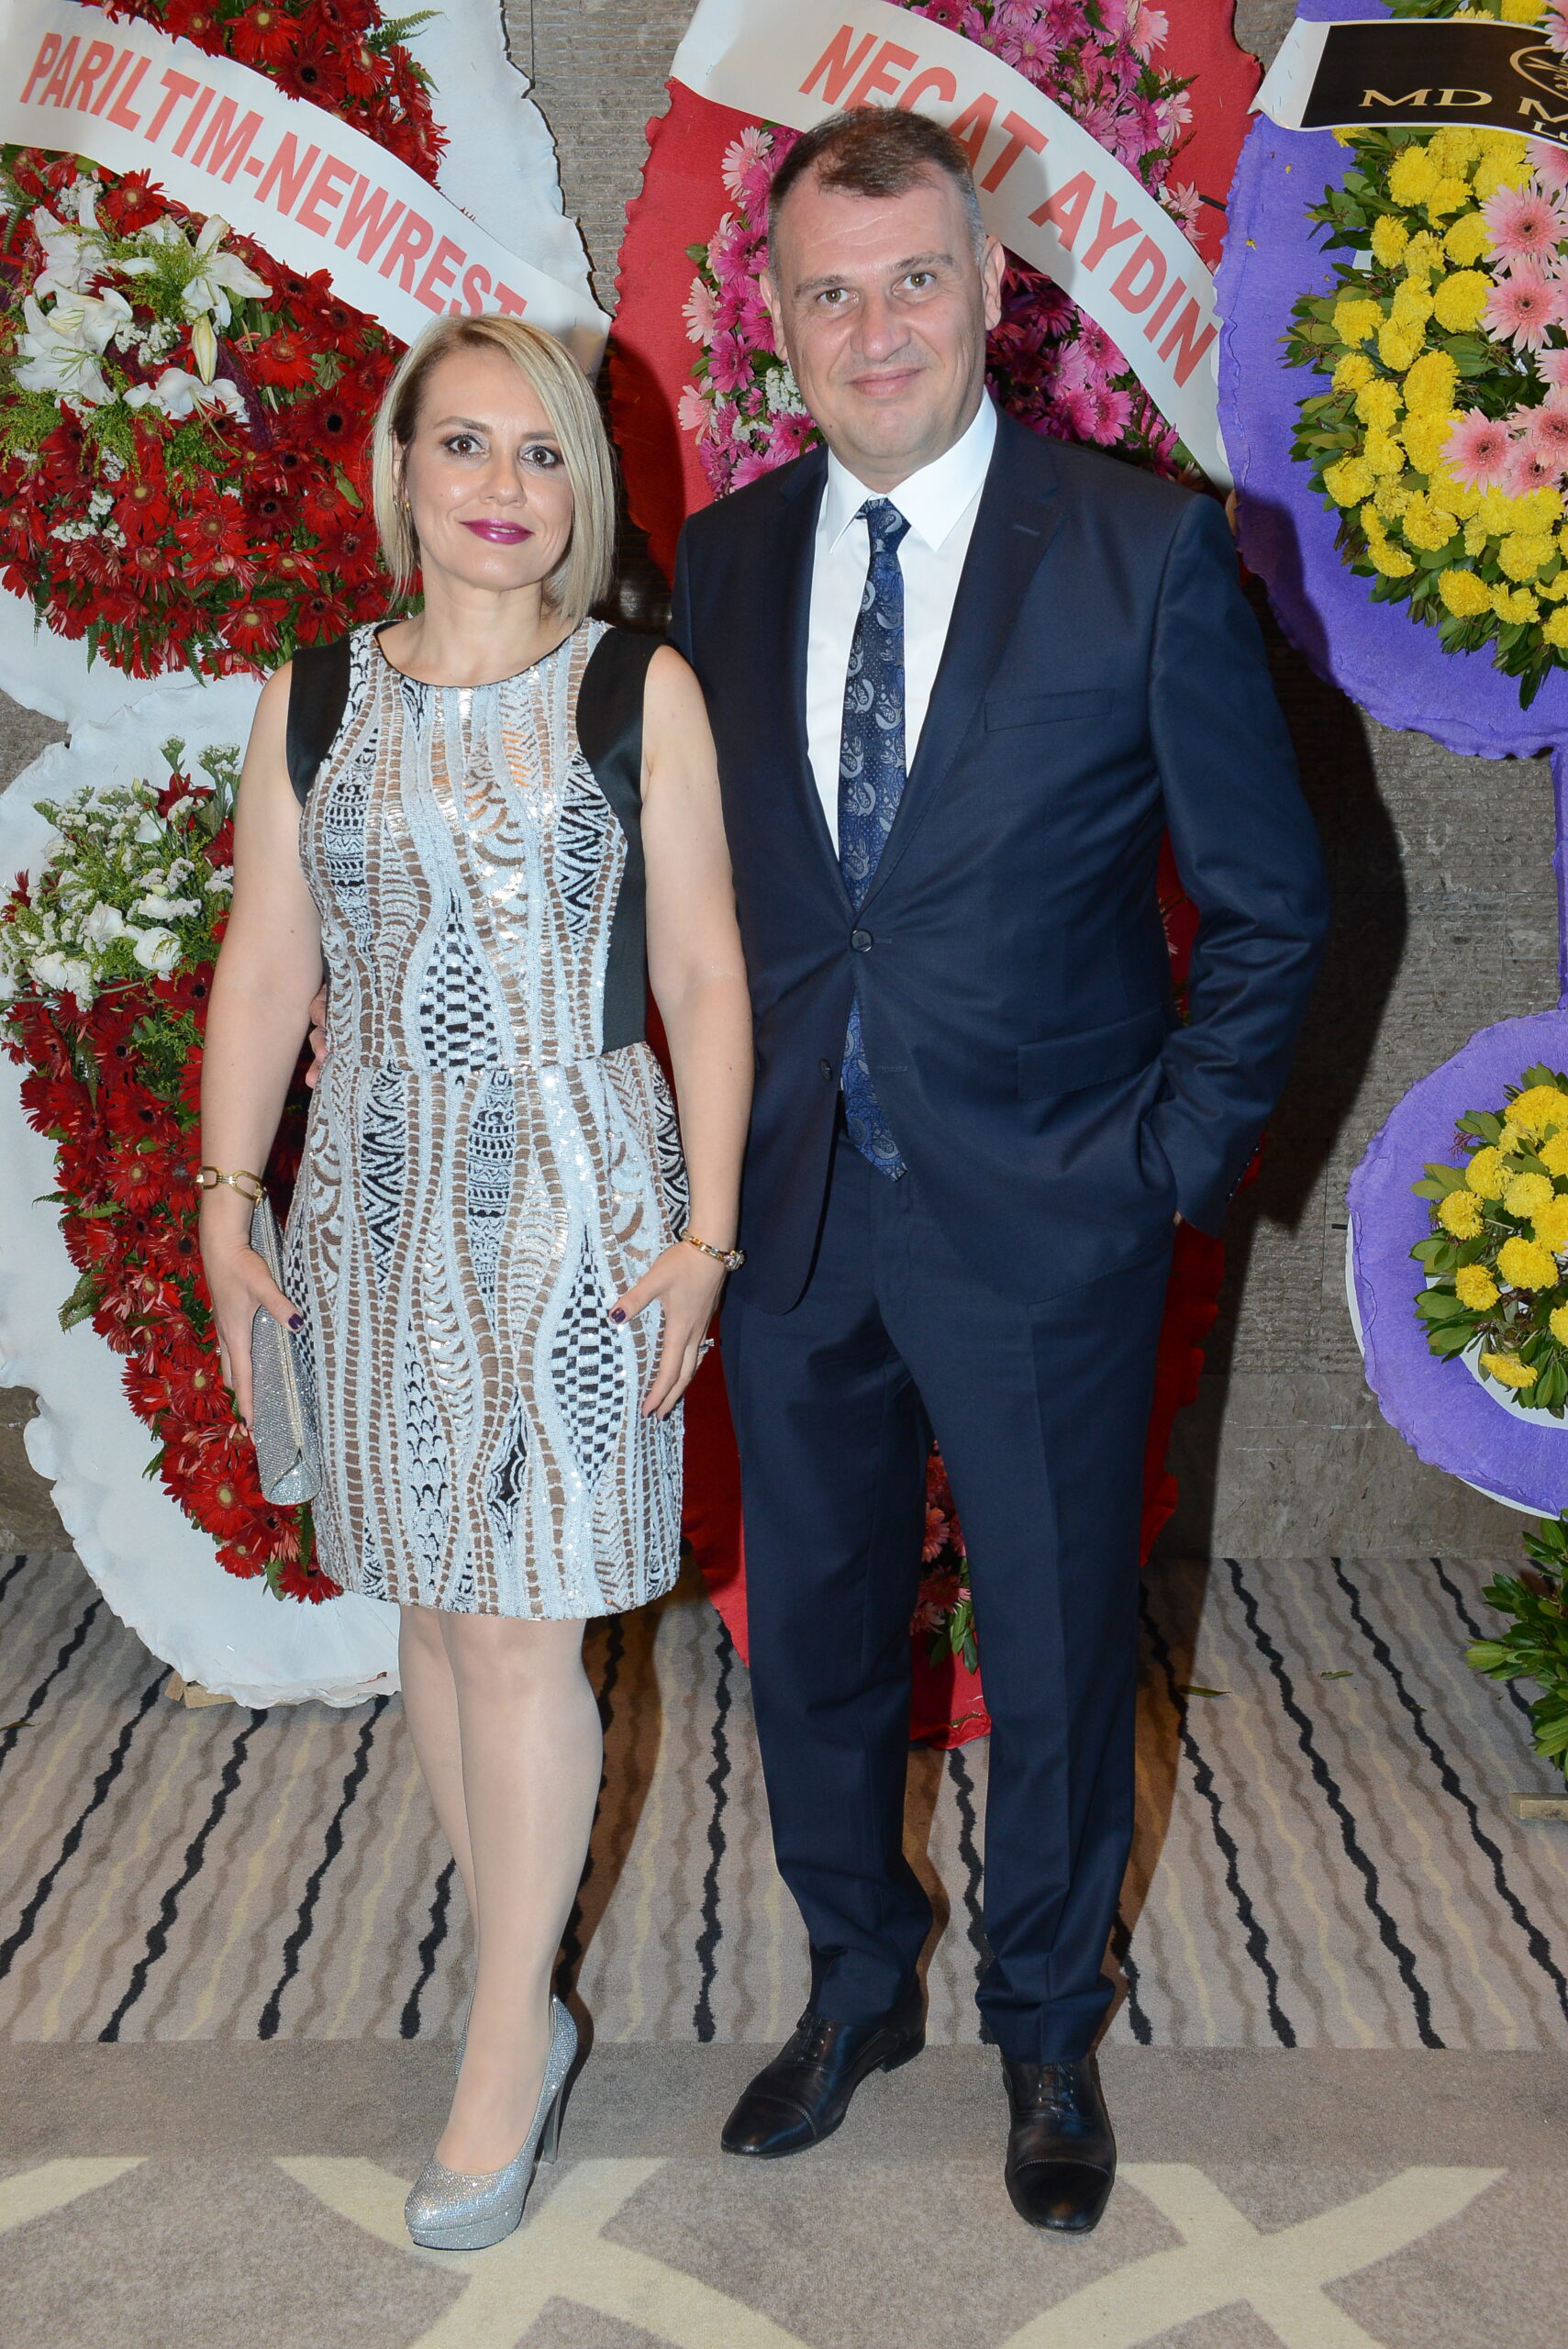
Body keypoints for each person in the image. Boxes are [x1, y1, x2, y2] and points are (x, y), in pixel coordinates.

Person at [669, 108, 1329, 2233]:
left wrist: (1164, 1164)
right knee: (816, 1636)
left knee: (1050, 1648)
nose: (876, 329)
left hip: (1057, 1214)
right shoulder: (723, 561)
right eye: (831, 292)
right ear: (779, 320)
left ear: (988, 290)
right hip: (794, 1208)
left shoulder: (1145, 552)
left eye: (914, 280)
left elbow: (1276, 905)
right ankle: (858, 1979)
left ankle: (1048, 2020)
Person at [199, 313, 752, 2252]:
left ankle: (508, 2031)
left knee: (523, 1626)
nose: (501, 486)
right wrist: (224, 1200)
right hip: (370, 1200)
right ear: (403, 472)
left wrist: (704, 1232)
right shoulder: (314, 700)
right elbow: (266, 964)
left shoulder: (633, 689)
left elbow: (703, 974)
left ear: (578, 486)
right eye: (464, 445)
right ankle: (523, 1973)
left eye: (538, 451)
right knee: (434, 1614)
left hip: (579, 1199)